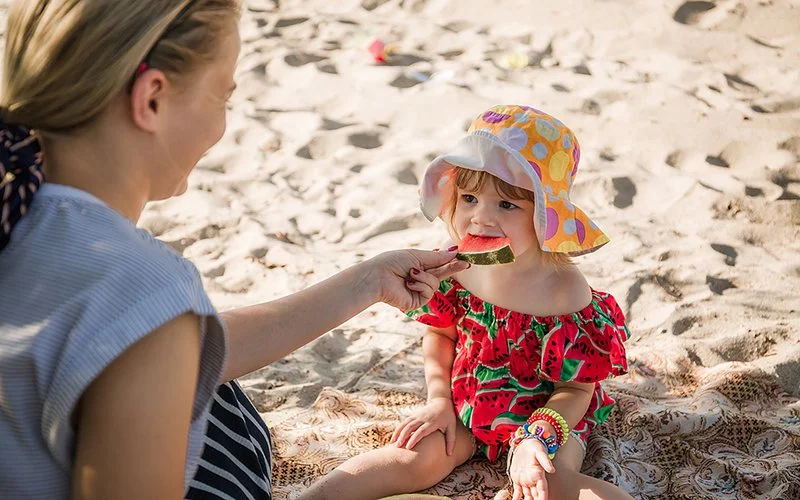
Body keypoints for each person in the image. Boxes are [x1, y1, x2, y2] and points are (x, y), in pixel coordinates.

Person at [0, 1, 468, 499]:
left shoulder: (20, 210)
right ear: (152, 98)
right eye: (223, 95)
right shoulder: (144, 289)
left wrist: (367, 282)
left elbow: (164, 353)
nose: (221, 126)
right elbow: (146, 337)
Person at [300, 105, 635, 500]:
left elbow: (576, 389)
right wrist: (439, 402)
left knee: (551, 484)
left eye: (507, 204)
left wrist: (535, 438)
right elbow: (440, 335)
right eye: (470, 198)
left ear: (544, 217)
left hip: (547, 421)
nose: (481, 218)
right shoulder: (457, 264)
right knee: (413, 458)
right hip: (466, 407)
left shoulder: (564, 291)